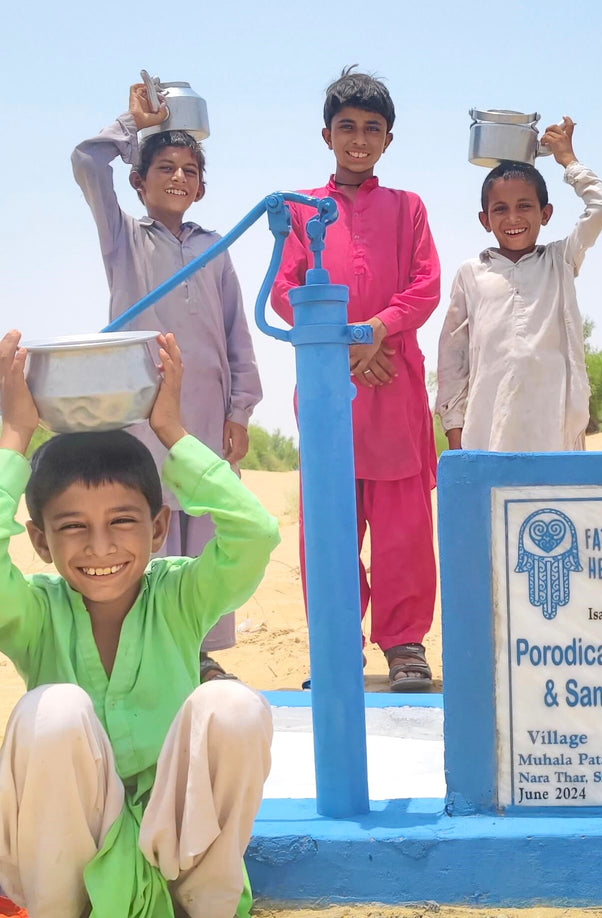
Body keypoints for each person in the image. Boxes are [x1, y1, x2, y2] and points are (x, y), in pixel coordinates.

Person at [0, 329, 278, 917]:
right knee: (49, 710)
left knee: (233, 707)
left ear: (156, 529)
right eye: (72, 526)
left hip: (174, 843)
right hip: (69, 854)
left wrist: (172, 431)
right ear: (40, 542)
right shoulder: (35, 611)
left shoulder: (177, 593)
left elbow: (256, 534)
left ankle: (207, 907)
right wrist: (16, 437)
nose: (100, 547)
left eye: (122, 522)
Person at [72, 81, 263, 681]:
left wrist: (241, 412)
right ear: (139, 179)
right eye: (165, 168)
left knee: (204, 525)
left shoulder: (215, 248)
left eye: (188, 170)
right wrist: (131, 125)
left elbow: (237, 334)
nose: (177, 178)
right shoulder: (122, 238)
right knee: (144, 520)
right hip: (139, 413)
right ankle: (141, 651)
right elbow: (85, 162)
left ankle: (198, 653)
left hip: (206, 414)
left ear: (201, 185)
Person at [270, 66, 440, 691]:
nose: (359, 139)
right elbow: (285, 292)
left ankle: (404, 648)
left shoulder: (409, 208)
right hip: (329, 392)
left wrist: (376, 329)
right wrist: (349, 344)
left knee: (403, 528)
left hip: (394, 389)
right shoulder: (299, 210)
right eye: (348, 127)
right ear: (327, 135)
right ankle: (337, 649)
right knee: (331, 526)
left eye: (372, 129)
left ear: (388, 139)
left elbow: (425, 287)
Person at [435, 117, 602, 452]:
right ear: (485, 220)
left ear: (545, 213)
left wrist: (569, 162)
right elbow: (453, 360)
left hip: (554, 432)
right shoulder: (471, 274)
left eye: (525, 206)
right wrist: (456, 434)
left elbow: (601, 207)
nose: (513, 218)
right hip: (487, 434)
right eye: (500, 209)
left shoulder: (560, 261)